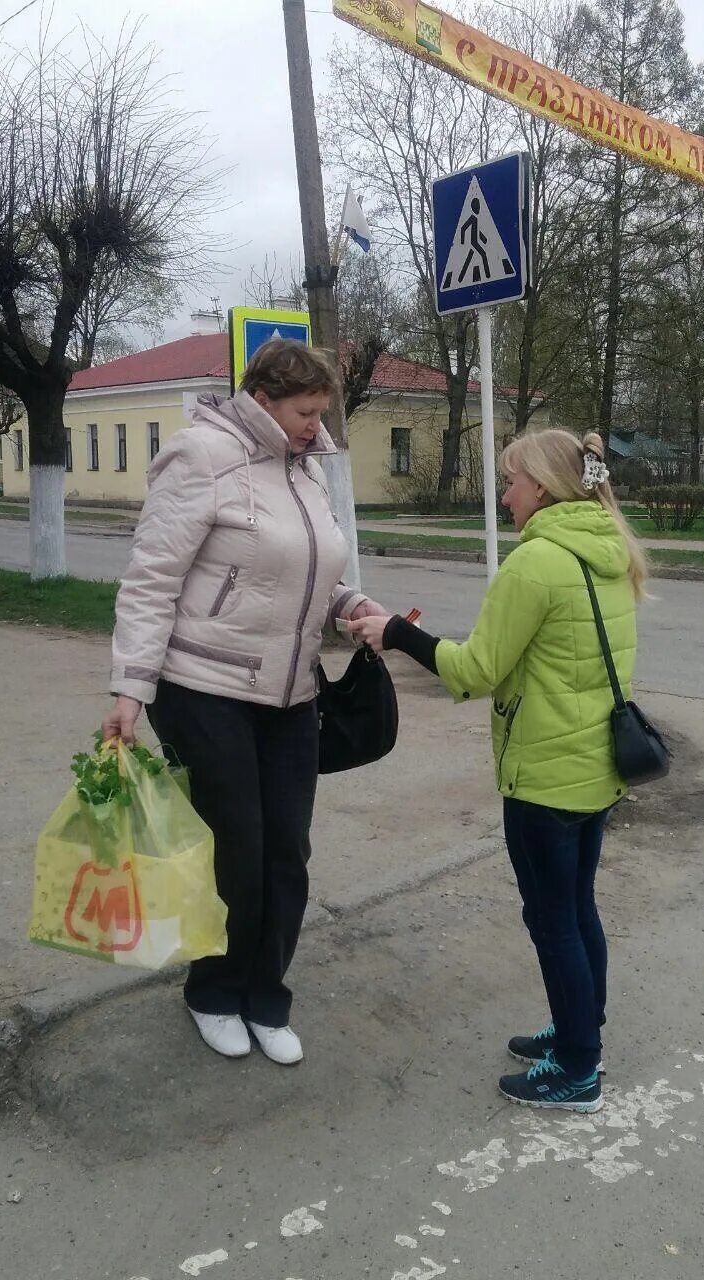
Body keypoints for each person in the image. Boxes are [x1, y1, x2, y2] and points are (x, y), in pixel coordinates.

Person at [102, 339, 388, 1061]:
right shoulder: (202, 457)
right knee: (238, 849)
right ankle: (214, 991)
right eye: (303, 410)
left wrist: (351, 602)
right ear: (262, 399)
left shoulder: (305, 469)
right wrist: (130, 690)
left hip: (291, 691)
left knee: (287, 849)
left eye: (321, 412)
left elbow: (312, 570)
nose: (313, 425)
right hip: (204, 688)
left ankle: (267, 996)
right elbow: (151, 580)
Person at [350, 430, 646, 1113]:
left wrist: (397, 633)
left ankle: (577, 1069)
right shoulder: (607, 547)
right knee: (575, 909)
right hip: (595, 766)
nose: (504, 493)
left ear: (541, 488)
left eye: (510, 480)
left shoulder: (537, 560)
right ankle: (581, 1030)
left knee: (553, 920)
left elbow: (475, 670)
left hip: (545, 776)